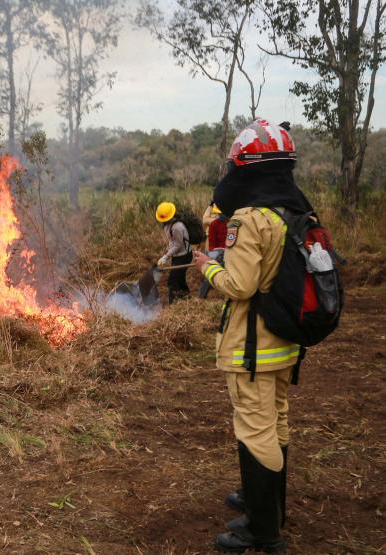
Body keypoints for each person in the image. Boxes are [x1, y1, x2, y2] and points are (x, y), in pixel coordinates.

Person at [194, 119, 309, 554]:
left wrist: (206, 265)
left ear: (246, 168)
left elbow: (239, 285)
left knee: (254, 429)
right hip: (284, 341)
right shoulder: (294, 209)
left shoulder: (250, 218)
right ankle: (269, 506)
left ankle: (263, 530)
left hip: (252, 346)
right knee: (275, 421)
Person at [155, 201, 192, 304]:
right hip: (177, 256)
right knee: (179, 278)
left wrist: (166, 256)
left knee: (172, 281)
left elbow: (178, 245)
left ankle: (173, 305)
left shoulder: (177, 227)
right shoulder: (168, 225)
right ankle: (187, 298)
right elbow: (172, 241)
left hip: (184, 256)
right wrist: (167, 251)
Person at [197, 205, 229, 299]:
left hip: (229, 254)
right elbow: (212, 243)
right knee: (210, 276)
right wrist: (213, 257)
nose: (221, 215)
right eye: (220, 213)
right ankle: (201, 297)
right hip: (217, 254)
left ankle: (226, 296)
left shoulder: (231, 224)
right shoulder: (214, 224)